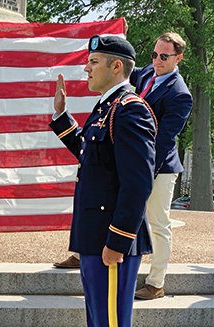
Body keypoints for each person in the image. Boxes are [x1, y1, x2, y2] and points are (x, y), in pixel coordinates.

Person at [50, 35, 156, 326]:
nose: (87, 69)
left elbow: (138, 184)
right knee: (99, 320)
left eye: (93, 62)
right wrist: (61, 116)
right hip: (94, 238)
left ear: (117, 66)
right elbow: (90, 154)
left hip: (110, 241)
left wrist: (118, 242)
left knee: (109, 322)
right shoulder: (107, 108)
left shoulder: (130, 109)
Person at [131, 32, 192, 300]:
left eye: (163, 56)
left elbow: (164, 140)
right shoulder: (147, 74)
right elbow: (125, 70)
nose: (156, 60)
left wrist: (145, 172)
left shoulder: (180, 95)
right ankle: (83, 255)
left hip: (160, 167)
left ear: (178, 58)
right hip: (134, 158)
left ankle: (155, 284)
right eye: (154, 54)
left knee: (158, 224)